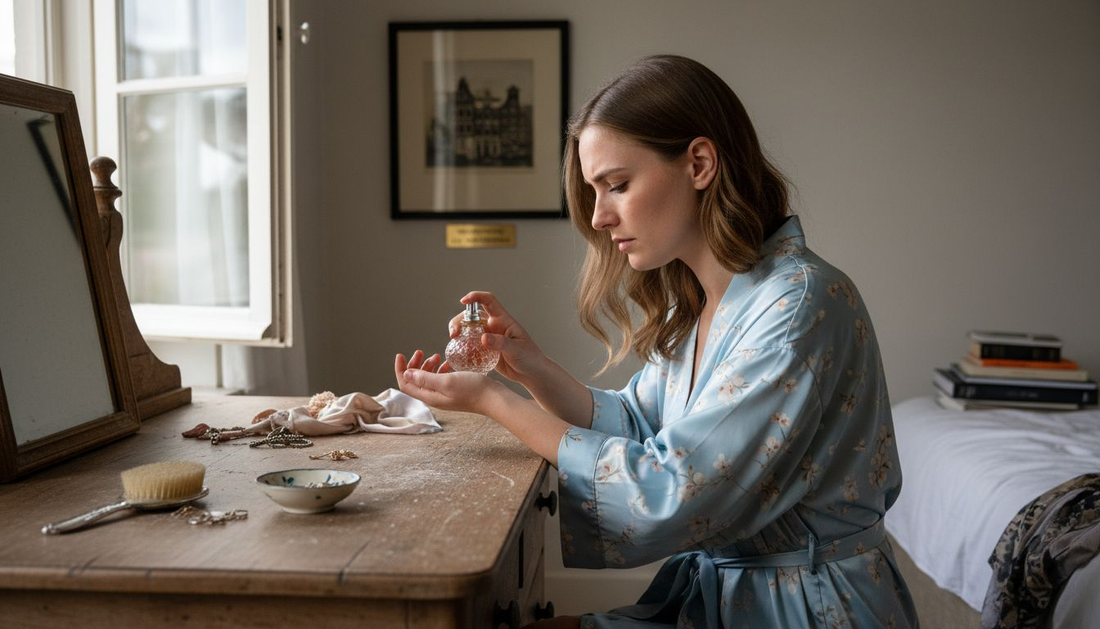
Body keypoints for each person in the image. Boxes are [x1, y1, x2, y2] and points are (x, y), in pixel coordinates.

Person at [395, 54, 918, 629]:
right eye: (595, 192)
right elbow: (641, 424)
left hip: (805, 609)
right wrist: (528, 367)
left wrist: (493, 401)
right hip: (733, 597)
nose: (598, 217)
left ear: (698, 163)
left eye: (617, 185)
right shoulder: (707, 300)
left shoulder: (797, 305)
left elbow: (670, 486)